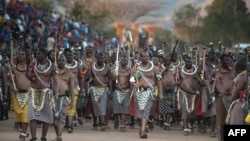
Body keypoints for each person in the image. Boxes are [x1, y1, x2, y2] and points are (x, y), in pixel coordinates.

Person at [27, 48, 58, 141]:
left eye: (38, 54)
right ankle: (33, 137)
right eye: (36, 54)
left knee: (47, 116)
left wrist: (55, 93)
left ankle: (43, 137)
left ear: (45, 55)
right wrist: (30, 68)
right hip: (33, 92)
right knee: (32, 115)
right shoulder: (33, 64)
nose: (36, 55)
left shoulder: (52, 66)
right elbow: (28, 77)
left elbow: (56, 81)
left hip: (46, 93)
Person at [131, 50, 163, 138]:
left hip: (149, 92)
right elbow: (131, 79)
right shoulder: (136, 68)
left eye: (148, 56)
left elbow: (159, 80)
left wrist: (160, 93)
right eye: (144, 56)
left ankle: (143, 130)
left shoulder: (154, 68)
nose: (146, 58)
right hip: (138, 92)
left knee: (146, 111)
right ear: (141, 57)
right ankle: (142, 127)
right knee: (139, 112)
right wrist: (134, 84)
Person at [209, 54, 235, 141]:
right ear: (221, 61)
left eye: (229, 60)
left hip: (232, 98)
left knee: (230, 119)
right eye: (226, 60)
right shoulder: (215, 72)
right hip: (220, 97)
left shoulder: (233, 71)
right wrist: (211, 91)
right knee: (220, 120)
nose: (228, 62)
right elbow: (210, 83)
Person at [178, 57, 204, 135]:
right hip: (183, 92)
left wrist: (201, 81)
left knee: (192, 111)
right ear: (184, 63)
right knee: (184, 110)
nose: (188, 64)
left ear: (192, 63)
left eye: (190, 62)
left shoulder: (196, 72)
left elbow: (200, 81)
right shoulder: (180, 71)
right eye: (187, 62)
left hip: (193, 94)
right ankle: (186, 127)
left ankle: (191, 125)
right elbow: (177, 80)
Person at [10, 48, 31, 141]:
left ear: (26, 56)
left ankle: (23, 133)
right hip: (17, 94)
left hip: (28, 94)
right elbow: (11, 81)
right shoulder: (13, 67)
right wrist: (12, 88)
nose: (21, 56)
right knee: (18, 115)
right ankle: (22, 130)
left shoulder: (30, 66)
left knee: (26, 115)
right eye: (19, 54)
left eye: (23, 54)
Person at [53, 54, 75, 141]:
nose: (61, 62)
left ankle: (59, 135)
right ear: (57, 61)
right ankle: (57, 135)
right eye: (59, 60)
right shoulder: (53, 72)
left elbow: (72, 88)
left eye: (62, 60)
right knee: (55, 119)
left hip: (64, 97)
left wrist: (72, 101)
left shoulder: (69, 73)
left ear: (65, 62)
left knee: (62, 117)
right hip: (53, 98)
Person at [89, 52, 113, 131]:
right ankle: (96, 122)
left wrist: (110, 90)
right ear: (96, 59)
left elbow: (109, 79)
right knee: (96, 106)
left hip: (103, 89)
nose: (101, 60)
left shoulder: (107, 68)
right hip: (94, 89)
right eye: (99, 58)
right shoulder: (92, 67)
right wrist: (88, 74)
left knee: (102, 106)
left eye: (102, 58)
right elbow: (86, 78)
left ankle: (102, 123)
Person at [64, 48, 85, 133]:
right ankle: (66, 123)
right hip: (64, 89)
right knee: (65, 107)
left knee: (72, 106)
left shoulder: (78, 66)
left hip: (75, 89)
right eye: (68, 55)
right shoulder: (62, 65)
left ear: (73, 56)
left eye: (71, 55)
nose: (69, 57)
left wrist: (82, 89)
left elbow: (81, 78)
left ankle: (70, 125)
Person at [112, 53, 131, 131]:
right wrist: (114, 77)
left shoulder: (130, 70)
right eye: (122, 60)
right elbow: (113, 81)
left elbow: (131, 81)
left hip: (126, 91)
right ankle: (116, 119)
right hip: (117, 91)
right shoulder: (116, 69)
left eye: (125, 60)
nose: (123, 61)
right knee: (116, 109)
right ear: (119, 61)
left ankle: (123, 124)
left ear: (127, 61)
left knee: (124, 109)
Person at [226, 58, 248, 125]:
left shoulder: (242, 77)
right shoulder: (242, 76)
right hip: (240, 102)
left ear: (238, 67)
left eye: (235, 65)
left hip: (239, 103)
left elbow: (236, 91)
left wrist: (231, 101)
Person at [159, 55, 177, 130]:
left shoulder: (174, 68)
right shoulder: (160, 67)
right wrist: (164, 71)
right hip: (163, 89)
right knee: (163, 107)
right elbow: (158, 77)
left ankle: (167, 122)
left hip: (171, 90)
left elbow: (176, 78)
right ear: (163, 61)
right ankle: (162, 118)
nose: (168, 62)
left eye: (169, 60)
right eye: (166, 60)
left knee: (170, 106)